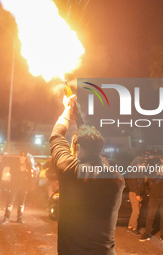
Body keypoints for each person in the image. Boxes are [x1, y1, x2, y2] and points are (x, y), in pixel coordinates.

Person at [49, 95, 124, 254]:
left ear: (78, 149)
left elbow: (56, 136)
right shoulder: (116, 179)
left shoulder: (69, 170)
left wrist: (67, 111)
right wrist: (79, 120)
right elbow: (92, 151)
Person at [139, 155, 163, 243]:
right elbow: (149, 179)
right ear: (160, 160)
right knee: (150, 216)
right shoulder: (154, 167)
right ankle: (147, 234)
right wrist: (157, 174)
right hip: (154, 196)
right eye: (162, 159)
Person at [2, 151, 32, 224]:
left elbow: (30, 176)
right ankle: (6, 218)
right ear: (19, 157)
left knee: (21, 203)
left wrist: (28, 186)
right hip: (14, 185)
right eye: (21, 156)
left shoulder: (28, 165)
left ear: (26, 157)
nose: (22, 158)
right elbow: (12, 172)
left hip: (24, 187)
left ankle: (19, 218)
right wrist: (19, 170)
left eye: (24, 156)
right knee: (10, 202)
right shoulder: (15, 163)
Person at [126, 159, 146, 235]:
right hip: (134, 193)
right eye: (142, 165)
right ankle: (134, 228)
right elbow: (134, 185)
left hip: (138, 193)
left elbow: (141, 185)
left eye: (144, 165)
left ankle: (130, 227)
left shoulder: (139, 172)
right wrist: (137, 194)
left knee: (135, 212)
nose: (143, 167)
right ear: (138, 165)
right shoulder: (134, 172)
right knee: (136, 211)